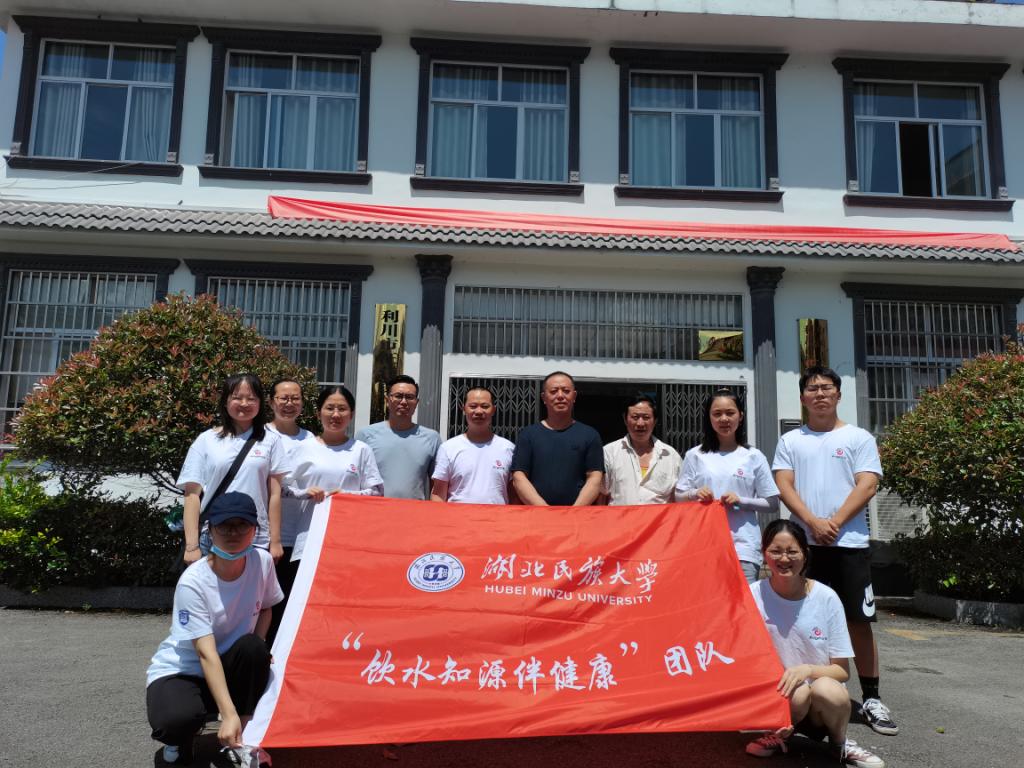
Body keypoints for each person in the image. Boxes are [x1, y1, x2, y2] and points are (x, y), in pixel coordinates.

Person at [772, 366, 897, 736]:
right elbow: (784, 484)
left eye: (826, 388)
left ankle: (872, 697)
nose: (820, 394)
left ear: (838, 394)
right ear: (802, 397)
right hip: (805, 546)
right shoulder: (791, 440)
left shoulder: (858, 437)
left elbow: (867, 484)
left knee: (858, 621)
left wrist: (835, 522)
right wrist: (812, 522)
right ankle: (808, 694)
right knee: (802, 619)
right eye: (812, 389)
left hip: (849, 544)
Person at [146, 492, 283, 767]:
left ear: (255, 529)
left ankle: (243, 738)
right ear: (210, 530)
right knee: (175, 720)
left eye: (242, 525)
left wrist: (257, 658)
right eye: (224, 526)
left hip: (229, 663)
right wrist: (227, 713)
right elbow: (205, 654)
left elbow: (267, 607)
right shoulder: (193, 582)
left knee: (255, 648)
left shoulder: (263, 561)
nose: (233, 533)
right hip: (185, 670)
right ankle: (181, 739)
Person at [745, 519, 884, 768]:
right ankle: (777, 734)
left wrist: (807, 670)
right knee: (797, 692)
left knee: (828, 689)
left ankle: (839, 743)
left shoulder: (826, 598)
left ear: (805, 554)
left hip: (821, 703)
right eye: (776, 551)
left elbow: (841, 671)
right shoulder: (753, 595)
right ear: (764, 553)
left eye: (792, 551)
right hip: (782, 696)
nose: (784, 559)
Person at [178, 374, 289, 565]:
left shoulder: (271, 441)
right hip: (213, 535)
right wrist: (191, 546)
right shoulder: (206, 440)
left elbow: (275, 495)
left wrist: (276, 541)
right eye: (237, 397)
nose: (244, 403)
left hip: (256, 537)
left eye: (251, 398)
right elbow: (192, 495)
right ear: (225, 401)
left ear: (260, 403)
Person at [676, 388, 779, 583]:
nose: (724, 419)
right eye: (717, 414)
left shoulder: (753, 456)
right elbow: (678, 496)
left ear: (741, 416)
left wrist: (742, 501)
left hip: (743, 548)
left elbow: (772, 503)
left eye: (730, 413)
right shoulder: (695, 455)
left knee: (742, 600)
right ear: (709, 418)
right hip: (702, 546)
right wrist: (695, 493)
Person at [289, 385, 384, 561]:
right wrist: (304, 493)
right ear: (319, 413)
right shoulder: (303, 448)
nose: (335, 414)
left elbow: (377, 492)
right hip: (309, 538)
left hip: (350, 539)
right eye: (330, 408)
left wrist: (345, 495)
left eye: (342, 409)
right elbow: (279, 488)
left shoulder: (361, 450)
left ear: (351, 414)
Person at [264, 378, 314, 646]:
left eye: (295, 398)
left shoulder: (312, 440)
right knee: (264, 603)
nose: (289, 403)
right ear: (271, 401)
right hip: (264, 536)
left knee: (292, 603)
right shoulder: (260, 436)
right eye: (283, 398)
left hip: (301, 535)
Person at [511, 371, 604, 506]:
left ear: (574, 396)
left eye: (566, 391)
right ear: (544, 397)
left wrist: (574, 511)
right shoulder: (528, 435)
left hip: (578, 515)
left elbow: (595, 477)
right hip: (537, 513)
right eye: (554, 391)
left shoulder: (590, 435)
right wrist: (544, 510)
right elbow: (519, 476)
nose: (560, 396)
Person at [355, 374, 441, 500]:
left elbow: (437, 487)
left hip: (414, 510)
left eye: (410, 397)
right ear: (387, 400)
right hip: (375, 509)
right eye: (398, 396)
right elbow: (355, 480)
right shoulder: (365, 435)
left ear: (416, 402)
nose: (404, 402)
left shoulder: (432, 438)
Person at [431, 386, 515, 504]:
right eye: (473, 406)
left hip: (498, 515)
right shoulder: (448, 448)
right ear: (464, 409)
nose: (479, 411)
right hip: (458, 515)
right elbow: (438, 495)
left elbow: (513, 494)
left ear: (493, 410)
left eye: (485, 406)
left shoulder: (508, 449)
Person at [601, 394, 682, 505]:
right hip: (620, 516)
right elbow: (601, 494)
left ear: (655, 421)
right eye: (635, 417)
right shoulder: (609, 452)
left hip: (659, 517)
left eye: (646, 417)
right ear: (625, 419)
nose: (640, 423)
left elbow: (679, 495)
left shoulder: (671, 455)